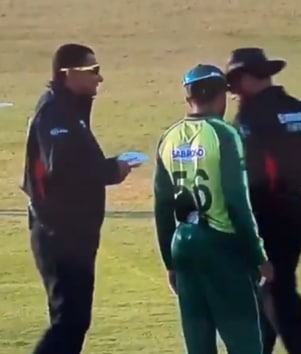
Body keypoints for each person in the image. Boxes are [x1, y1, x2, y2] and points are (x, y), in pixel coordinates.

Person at [225, 47, 301, 354]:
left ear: (248, 78)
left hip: (261, 212)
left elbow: (243, 171)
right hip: (292, 210)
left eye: (235, 84)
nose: (233, 92)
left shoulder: (249, 117)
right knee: (274, 284)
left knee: (275, 288)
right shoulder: (296, 109)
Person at [152, 63, 273, 354]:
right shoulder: (224, 134)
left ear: (188, 97)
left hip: (183, 244)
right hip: (221, 247)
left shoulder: (168, 138)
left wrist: (170, 260)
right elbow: (236, 202)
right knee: (245, 344)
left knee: (199, 345)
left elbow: (162, 206)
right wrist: (258, 256)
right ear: (220, 96)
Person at [21, 43, 133, 354]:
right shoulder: (55, 111)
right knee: (69, 323)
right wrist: (111, 170)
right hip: (60, 233)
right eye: (92, 71)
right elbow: (66, 168)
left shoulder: (68, 109)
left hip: (71, 233)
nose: (99, 78)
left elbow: (73, 162)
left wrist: (108, 167)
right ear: (68, 72)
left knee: (72, 321)